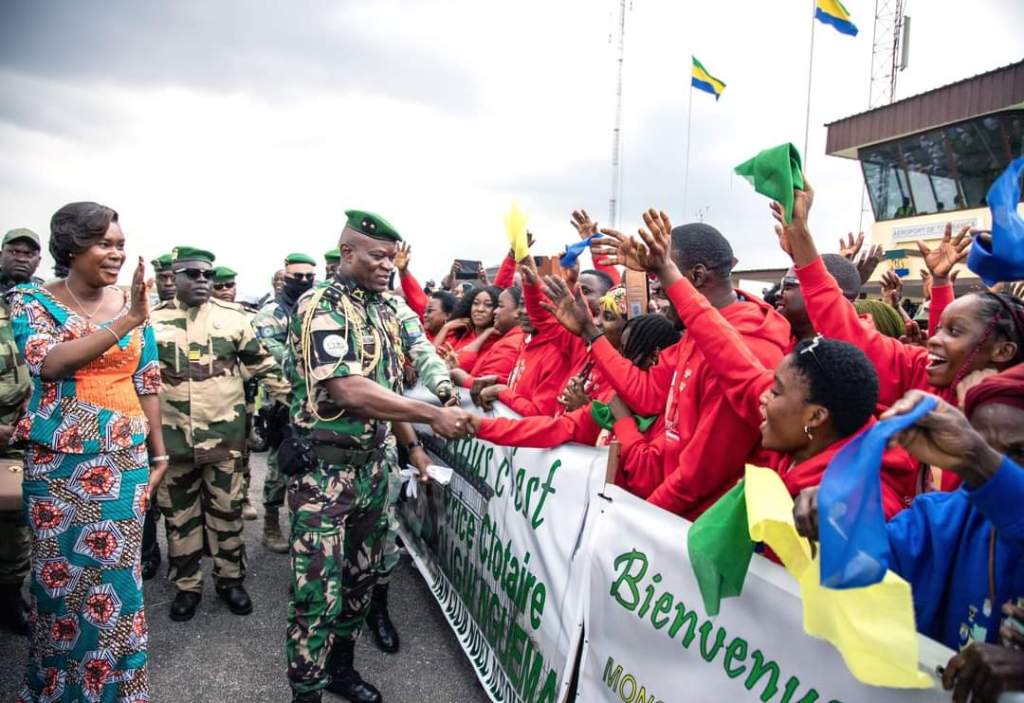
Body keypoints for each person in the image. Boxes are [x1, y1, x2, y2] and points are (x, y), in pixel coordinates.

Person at [607, 210, 917, 511]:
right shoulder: (795, 424)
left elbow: (697, 476)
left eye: (776, 391)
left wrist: (640, 522)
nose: (763, 396)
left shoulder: (855, 507)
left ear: (815, 417)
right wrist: (666, 271)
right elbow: (726, 352)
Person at [285, 209, 473, 703]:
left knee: (361, 582)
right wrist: (431, 415)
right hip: (324, 475)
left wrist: (446, 394)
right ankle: (307, 690)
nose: (388, 265)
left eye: (392, 257)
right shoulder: (320, 306)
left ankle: (341, 671)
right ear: (347, 252)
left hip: (372, 470)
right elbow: (350, 391)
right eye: (377, 256)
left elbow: (419, 356)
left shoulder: (390, 307)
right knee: (316, 596)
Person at [10, 201, 165, 702]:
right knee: (60, 586)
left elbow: (147, 380)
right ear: (72, 248)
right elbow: (50, 363)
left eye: (120, 245)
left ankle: (119, 691)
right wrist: (129, 319)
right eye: (104, 244)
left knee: (119, 586)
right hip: (58, 464)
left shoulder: (132, 301)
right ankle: (59, 689)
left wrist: (159, 455)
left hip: (123, 463)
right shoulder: (31, 301)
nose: (116, 254)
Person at [773, 180, 1024, 489]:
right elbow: (845, 327)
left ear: (1003, 351)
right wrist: (800, 235)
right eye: (940, 329)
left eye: (953, 331)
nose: (934, 338)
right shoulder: (923, 373)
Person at [793, 384, 1024, 701]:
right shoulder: (940, 517)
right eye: (985, 451)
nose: (994, 470)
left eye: (1019, 454)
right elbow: (871, 569)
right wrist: (840, 522)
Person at [583, 216, 791, 519]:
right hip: (670, 515)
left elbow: (698, 477)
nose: (657, 290)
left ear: (697, 275)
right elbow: (648, 394)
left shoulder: (749, 345)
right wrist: (590, 333)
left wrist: (639, 523)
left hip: (697, 529)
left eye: (662, 273)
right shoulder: (694, 331)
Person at [152, 246, 290, 622]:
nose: (202, 280)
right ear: (174, 277)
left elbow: (263, 366)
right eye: (193, 274)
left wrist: (297, 405)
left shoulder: (233, 319)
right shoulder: (151, 321)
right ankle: (187, 586)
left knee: (227, 513)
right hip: (173, 442)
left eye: (208, 275)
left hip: (224, 440)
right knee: (179, 518)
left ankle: (230, 581)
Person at [471, 313, 679, 498]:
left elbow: (644, 480)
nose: (620, 360)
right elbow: (556, 428)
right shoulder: (614, 399)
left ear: (654, 357)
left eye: (627, 352)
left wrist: (623, 422)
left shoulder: (673, 414)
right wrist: (479, 425)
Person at [251, 252, 317, 553]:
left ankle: (305, 524)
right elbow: (273, 354)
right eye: (297, 277)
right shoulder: (270, 315)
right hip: (283, 402)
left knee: (312, 467)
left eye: (308, 277)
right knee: (280, 465)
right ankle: (271, 523)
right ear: (285, 278)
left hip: (317, 402)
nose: (303, 281)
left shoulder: (318, 308)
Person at [0, 230, 40, 634]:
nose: (22, 257)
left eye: (30, 253)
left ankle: (11, 597)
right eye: (14, 250)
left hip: (21, 430)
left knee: (14, 521)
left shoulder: (40, 302)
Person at [448, 286, 526, 389]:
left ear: (518, 311)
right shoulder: (461, 332)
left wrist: (457, 374)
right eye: (476, 303)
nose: (495, 311)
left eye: (500, 306)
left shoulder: (510, 343)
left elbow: (485, 388)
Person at [775, 254, 861, 344]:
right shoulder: (777, 343)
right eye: (781, 286)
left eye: (788, 286)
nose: (777, 293)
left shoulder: (855, 348)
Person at [432, 284, 500, 354]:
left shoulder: (498, 342)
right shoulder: (460, 333)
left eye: (488, 305)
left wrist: (486, 333)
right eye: (476, 303)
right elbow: (430, 356)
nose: (480, 309)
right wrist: (446, 327)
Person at [0, 228, 44, 294]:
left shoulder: (45, 292)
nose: (21, 259)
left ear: (38, 261)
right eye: (14, 252)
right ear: (1, 256)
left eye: (29, 254)